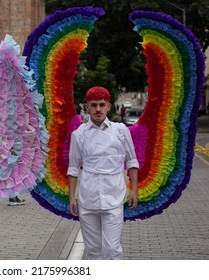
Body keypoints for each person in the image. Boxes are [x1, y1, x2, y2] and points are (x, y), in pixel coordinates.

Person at [68, 86, 138, 260]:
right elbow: (73, 168)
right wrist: (71, 197)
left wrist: (134, 191)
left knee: (112, 250)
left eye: (101, 105)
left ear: (109, 106)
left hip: (114, 199)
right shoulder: (79, 135)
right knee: (94, 252)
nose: (98, 109)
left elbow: (132, 162)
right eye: (93, 105)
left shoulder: (121, 131)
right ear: (87, 107)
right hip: (87, 200)